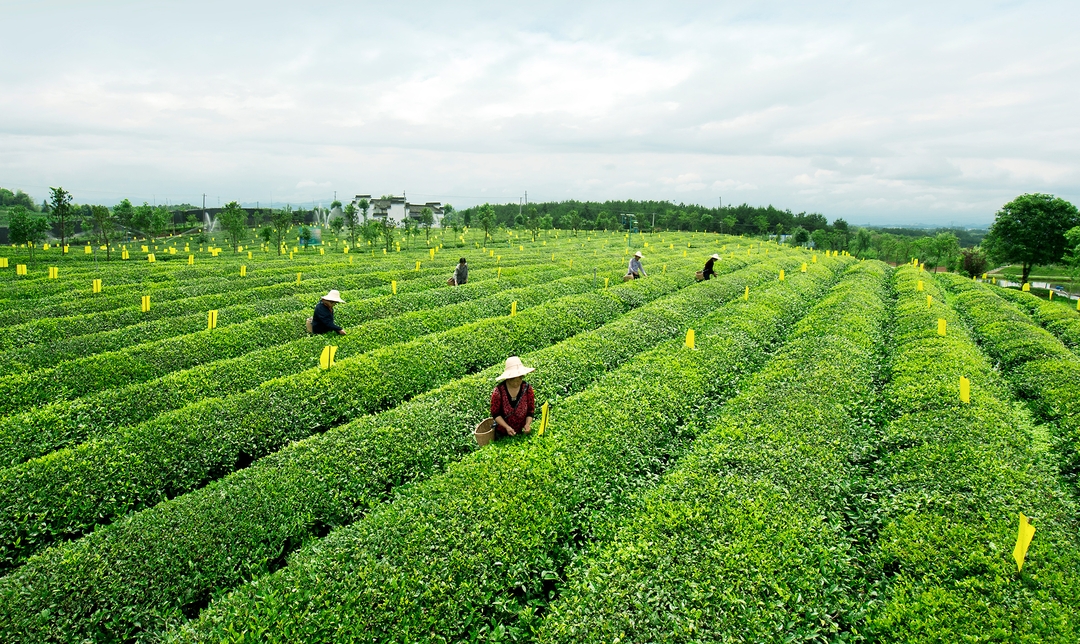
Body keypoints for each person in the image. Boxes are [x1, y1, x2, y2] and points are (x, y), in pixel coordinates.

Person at [490, 356, 535, 439]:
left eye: (519, 380)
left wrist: (527, 424)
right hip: (502, 433)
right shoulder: (498, 391)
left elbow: (530, 410)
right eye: (513, 380)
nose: (516, 383)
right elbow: (495, 414)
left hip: (521, 431)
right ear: (508, 378)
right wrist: (506, 427)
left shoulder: (527, 388)